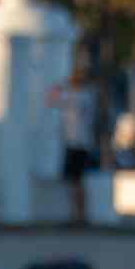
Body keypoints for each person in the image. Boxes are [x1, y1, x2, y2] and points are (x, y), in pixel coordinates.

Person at [50, 64, 97, 227]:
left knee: (77, 181)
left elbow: (52, 98)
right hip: (78, 143)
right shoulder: (84, 95)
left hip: (77, 143)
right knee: (75, 181)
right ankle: (78, 215)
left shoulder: (77, 96)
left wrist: (60, 84)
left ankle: (80, 216)